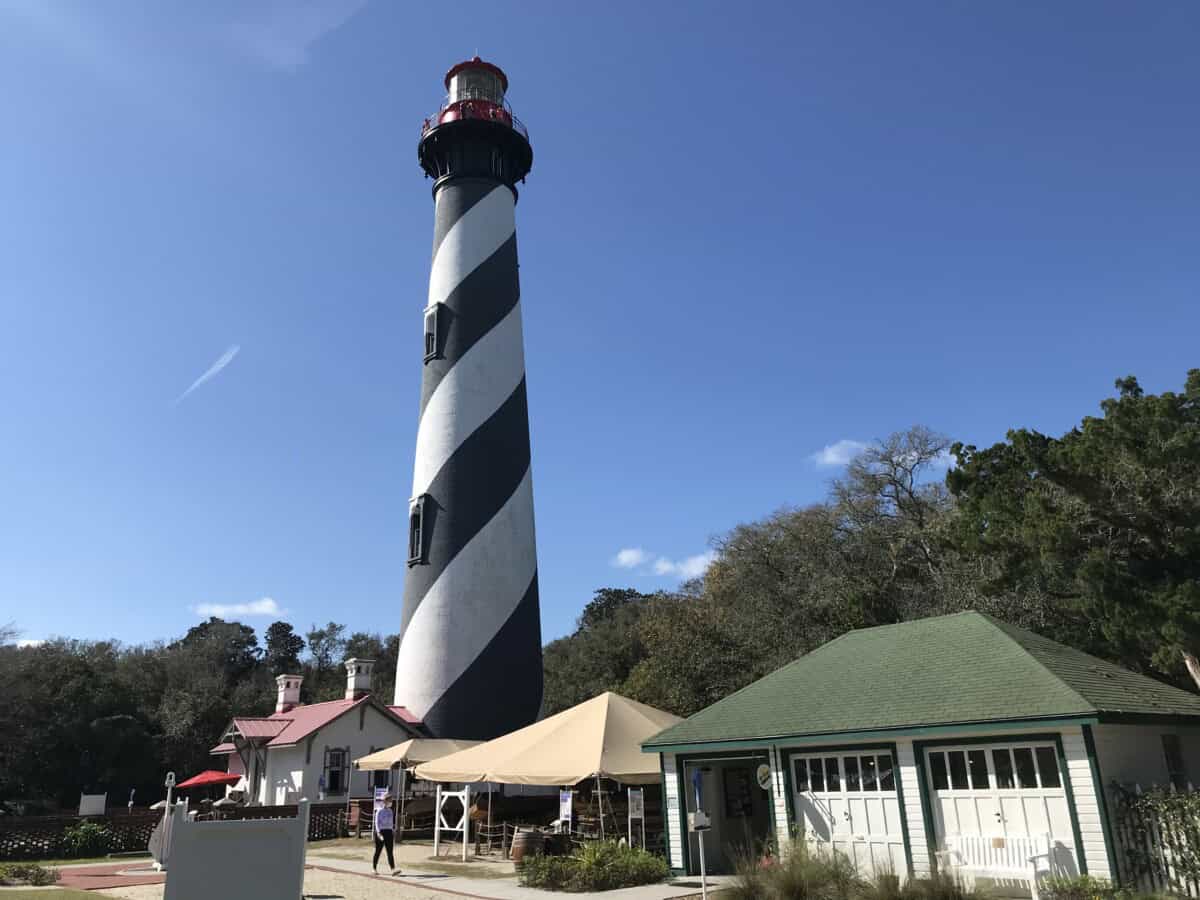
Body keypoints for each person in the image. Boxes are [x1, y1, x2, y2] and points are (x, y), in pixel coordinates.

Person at [373, 794, 399, 875]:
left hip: (389, 832)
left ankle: (393, 869)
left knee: (390, 851)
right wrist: (378, 833)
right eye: (389, 800)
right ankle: (374, 868)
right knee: (378, 850)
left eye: (391, 801)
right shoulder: (379, 811)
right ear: (385, 801)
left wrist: (392, 830)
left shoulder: (390, 811)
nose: (391, 802)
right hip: (381, 832)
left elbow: (391, 822)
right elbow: (377, 823)